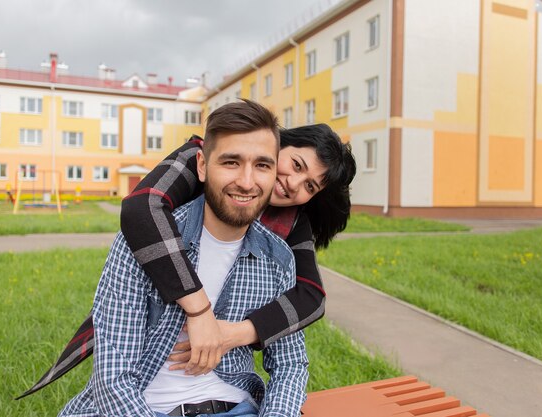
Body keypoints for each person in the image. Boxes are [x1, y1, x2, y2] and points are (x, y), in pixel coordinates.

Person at [17, 105, 356, 398]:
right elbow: (142, 208)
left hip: (221, 389)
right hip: (150, 365)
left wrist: (231, 334)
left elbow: (312, 296)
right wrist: (199, 311)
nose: (293, 184)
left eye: (310, 185)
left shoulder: (287, 224)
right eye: (296, 165)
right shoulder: (206, 158)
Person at [58, 100, 308, 417]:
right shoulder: (144, 243)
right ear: (202, 166)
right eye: (231, 162)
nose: (247, 181)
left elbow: (290, 364)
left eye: (262, 165)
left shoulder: (278, 259)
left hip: (235, 407)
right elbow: (113, 379)